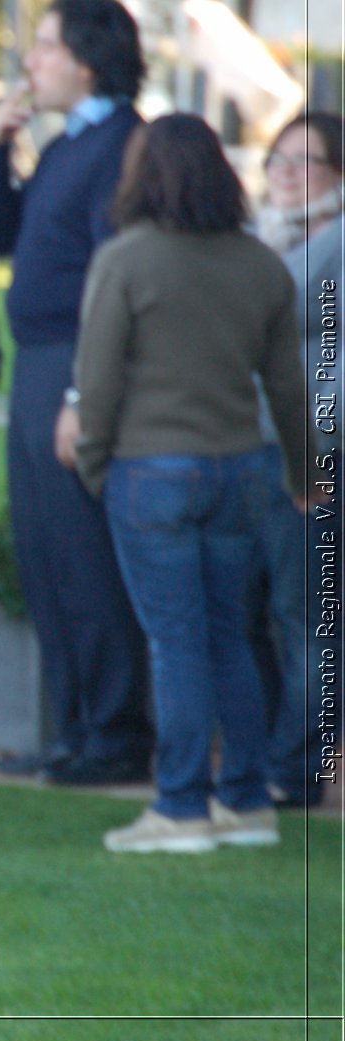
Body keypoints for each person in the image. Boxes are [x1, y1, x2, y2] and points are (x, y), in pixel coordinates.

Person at [66, 114, 312, 853]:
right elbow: (289, 389)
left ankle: (179, 806)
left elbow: (97, 381)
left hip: (150, 470)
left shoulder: (125, 260)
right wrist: (306, 473)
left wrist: (95, 464)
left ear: (143, 175)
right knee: (231, 635)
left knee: (175, 643)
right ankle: (244, 799)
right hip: (243, 468)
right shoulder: (260, 263)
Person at [0, 0, 153, 786]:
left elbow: (112, 283)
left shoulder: (123, 146)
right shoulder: (64, 146)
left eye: (44, 48)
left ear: (88, 60)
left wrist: (84, 394)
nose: (31, 63)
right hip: (35, 364)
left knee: (85, 558)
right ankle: (74, 728)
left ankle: (115, 736)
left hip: (74, 365)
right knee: (46, 557)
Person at [251, 111, 344, 809]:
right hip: (259, 447)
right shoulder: (267, 240)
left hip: (315, 455)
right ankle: (280, 751)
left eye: (303, 161)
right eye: (276, 160)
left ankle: (299, 763)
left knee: (309, 614)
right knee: (279, 610)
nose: (284, 174)